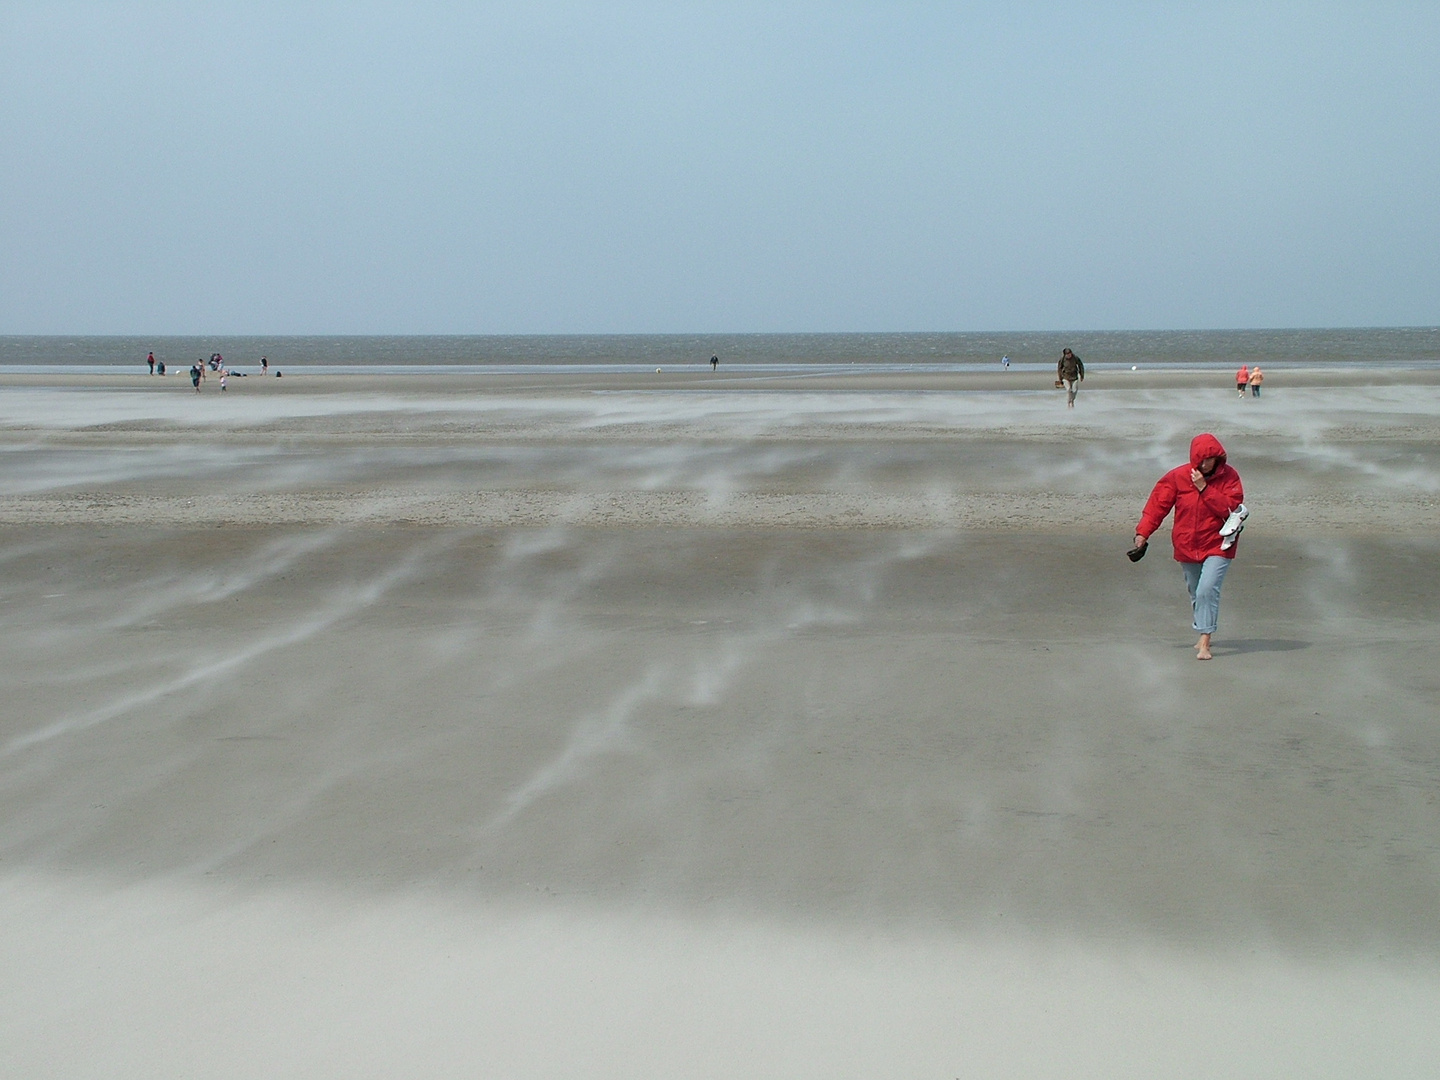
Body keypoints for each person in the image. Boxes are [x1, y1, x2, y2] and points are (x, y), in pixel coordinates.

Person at [1130, 433, 1245, 660]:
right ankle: (1203, 626)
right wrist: (1142, 533)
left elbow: (1232, 510)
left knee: (1207, 589)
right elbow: (1157, 505)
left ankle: (1205, 641)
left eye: (1211, 459)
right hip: (1186, 544)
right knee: (1196, 591)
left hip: (1219, 544)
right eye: (1203, 460)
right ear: (1195, 459)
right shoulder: (1178, 476)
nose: (1207, 464)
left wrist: (1204, 488)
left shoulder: (1229, 477)